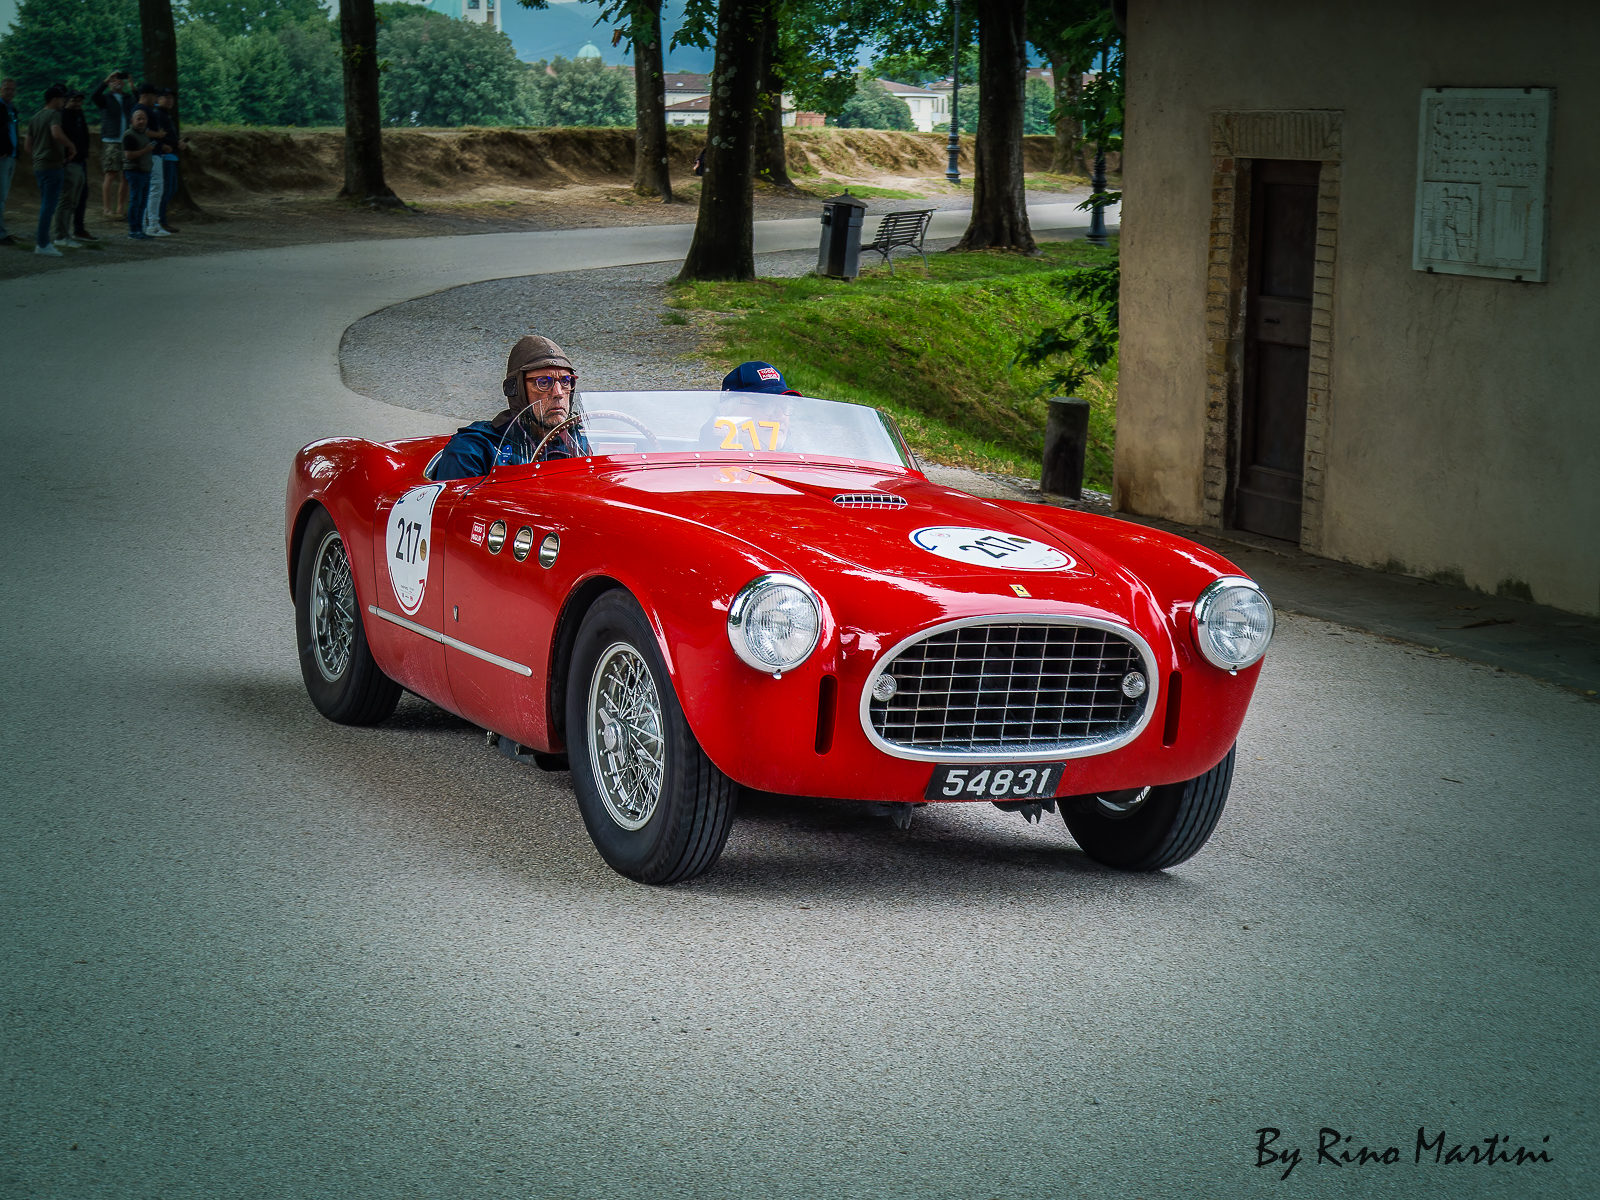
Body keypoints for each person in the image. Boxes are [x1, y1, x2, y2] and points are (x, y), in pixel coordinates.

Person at [433, 336, 590, 481]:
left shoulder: (581, 443)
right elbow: (458, 508)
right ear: (516, 389)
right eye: (543, 382)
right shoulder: (474, 449)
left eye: (565, 381)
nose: (558, 393)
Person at [23, 84, 76, 257]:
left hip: (39, 166)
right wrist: (71, 146)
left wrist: (38, 156)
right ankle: (43, 244)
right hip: (52, 166)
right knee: (49, 205)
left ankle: (43, 241)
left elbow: (27, 146)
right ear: (54, 99)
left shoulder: (35, 117)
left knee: (46, 203)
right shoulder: (54, 114)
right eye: (62, 99)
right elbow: (56, 134)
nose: (64, 103)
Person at [700, 362, 801, 451]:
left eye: (785, 406)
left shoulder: (803, 464)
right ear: (727, 411)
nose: (781, 416)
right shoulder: (698, 465)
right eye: (768, 406)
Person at [90, 71, 135, 220]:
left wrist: (132, 86)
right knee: (110, 174)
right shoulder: (105, 98)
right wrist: (105, 80)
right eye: (114, 79)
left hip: (127, 140)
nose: (118, 81)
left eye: (120, 79)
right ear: (110, 82)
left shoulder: (129, 98)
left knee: (126, 176)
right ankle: (106, 208)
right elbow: (94, 96)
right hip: (111, 140)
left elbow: (140, 102)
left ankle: (120, 208)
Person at [51, 91, 94, 247]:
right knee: (66, 199)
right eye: (74, 101)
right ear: (66, 101)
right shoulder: (61, 116)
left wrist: (86, 152)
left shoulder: (79, 115)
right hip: (69, 163)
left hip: (81, 161)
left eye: (80, 101)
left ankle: (75, 230)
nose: (77, 104)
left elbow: (84, 135)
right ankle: (61, 234)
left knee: (79, 197)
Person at [133, 84, 170, 238]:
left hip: (155, 153)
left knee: (154, 189)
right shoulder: (141, 109)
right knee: (155, 189)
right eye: (154, 96)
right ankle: (151, 225)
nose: (155, 99)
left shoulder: (145, 109)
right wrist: (158, 135)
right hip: (150, 154)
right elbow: (141, 129)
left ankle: (147, 224)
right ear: (146, 95)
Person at [153, 89, 187, 234]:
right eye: (165, 97)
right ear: (158, 98)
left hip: (172, 155)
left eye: (171, 98)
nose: (169, 100)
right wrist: (175, 143)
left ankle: (160, 218)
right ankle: (159, 220)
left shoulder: (165, 114)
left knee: (171, 189)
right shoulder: (157, 114)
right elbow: (159, 136)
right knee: (165, 189)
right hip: (164, 156)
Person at [121, 107, 157, 240]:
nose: (141, 121)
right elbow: (128, 155)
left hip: (145, 172)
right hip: (134, 171)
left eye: (144, 119)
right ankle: (133, 230)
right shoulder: (129, 135)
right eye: (139, 119)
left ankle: (139, 229)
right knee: (135, 201)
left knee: (142, 203)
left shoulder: (144, 134)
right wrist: (146, 150)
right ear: (132, 120)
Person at [0, 78, 19, 246]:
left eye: (12, 89)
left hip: (11, 156)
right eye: (7, 89)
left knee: (3, 195)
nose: (10, 92)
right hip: (3, 156)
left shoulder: (12, 108)